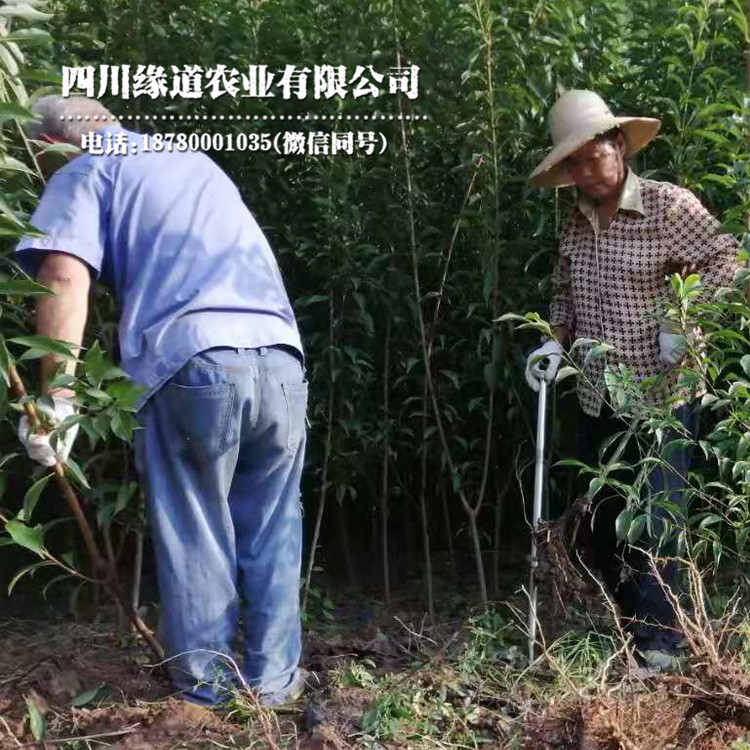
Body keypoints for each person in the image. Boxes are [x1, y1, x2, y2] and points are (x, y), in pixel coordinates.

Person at [14, 95, 308, 707]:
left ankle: (207, 693)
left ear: (50, 146)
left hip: (196, 361)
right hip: (281, 358)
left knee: (196, 525)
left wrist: (57, 396)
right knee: (274, 525)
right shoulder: (194, 162)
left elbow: (63, 275)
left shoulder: (86, 170)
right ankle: (274, 688)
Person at [524, 90, 740, 659]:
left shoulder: (670, 207)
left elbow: (728, 260)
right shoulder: (574, 220)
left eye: (592, 156)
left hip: (660, 391)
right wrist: (554, 338)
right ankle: (633, 633)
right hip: (598, 392)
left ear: (619, 146)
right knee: (603, 520)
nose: (585, 172)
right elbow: (565, 290)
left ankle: (664, 646)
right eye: (572, 163)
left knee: (654, 520)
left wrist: (683, 318)